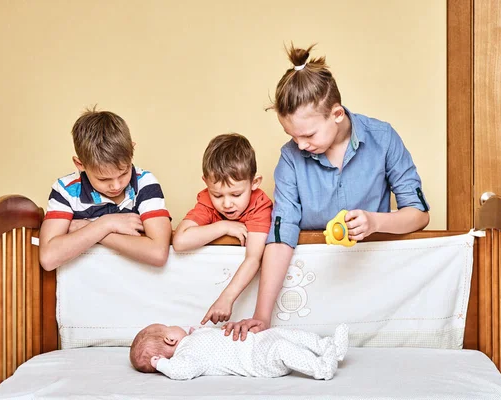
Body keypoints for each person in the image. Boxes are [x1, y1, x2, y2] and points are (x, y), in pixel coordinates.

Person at [223, 44, 430, 340]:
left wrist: (376, 223)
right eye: (292, 136)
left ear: (336, 113)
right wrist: (262, 315)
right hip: (313, 285)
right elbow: (282, 236)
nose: (301, 144)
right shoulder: (290, 159)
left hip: (373, 283)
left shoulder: (383, 138)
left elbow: (419, 214)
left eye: (307, 135)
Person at [39, 108, 172, 271]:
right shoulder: (66, 190)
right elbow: (49, 258)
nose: (116, 186)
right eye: (103, 179)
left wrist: (88, 227)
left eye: (123, 173)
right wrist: (106, 223)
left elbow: (157, 253)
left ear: (132, 150)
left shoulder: (145, 182)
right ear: (80, 164)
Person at [172, 133, 273, 325]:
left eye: (236, 194)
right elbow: (179, 241)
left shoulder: (260, 206)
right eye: (217, 195)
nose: (227, 204)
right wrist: (223, 226)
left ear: (255, 182)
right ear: (206, 183)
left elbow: (253, 258)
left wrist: (226, 298)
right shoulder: (207, 201)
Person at [129, 322, 349, 380]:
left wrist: (201, 332)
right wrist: (161, 364)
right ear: (170, 339)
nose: (176, 325)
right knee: (282, 348)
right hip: (257, 361)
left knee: (286, 334)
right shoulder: (187, 355)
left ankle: (329, 347)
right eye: (169, 326)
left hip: (256, 342)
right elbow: (183, 370)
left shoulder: (192, 340)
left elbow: (214, 340)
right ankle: (321, 368)